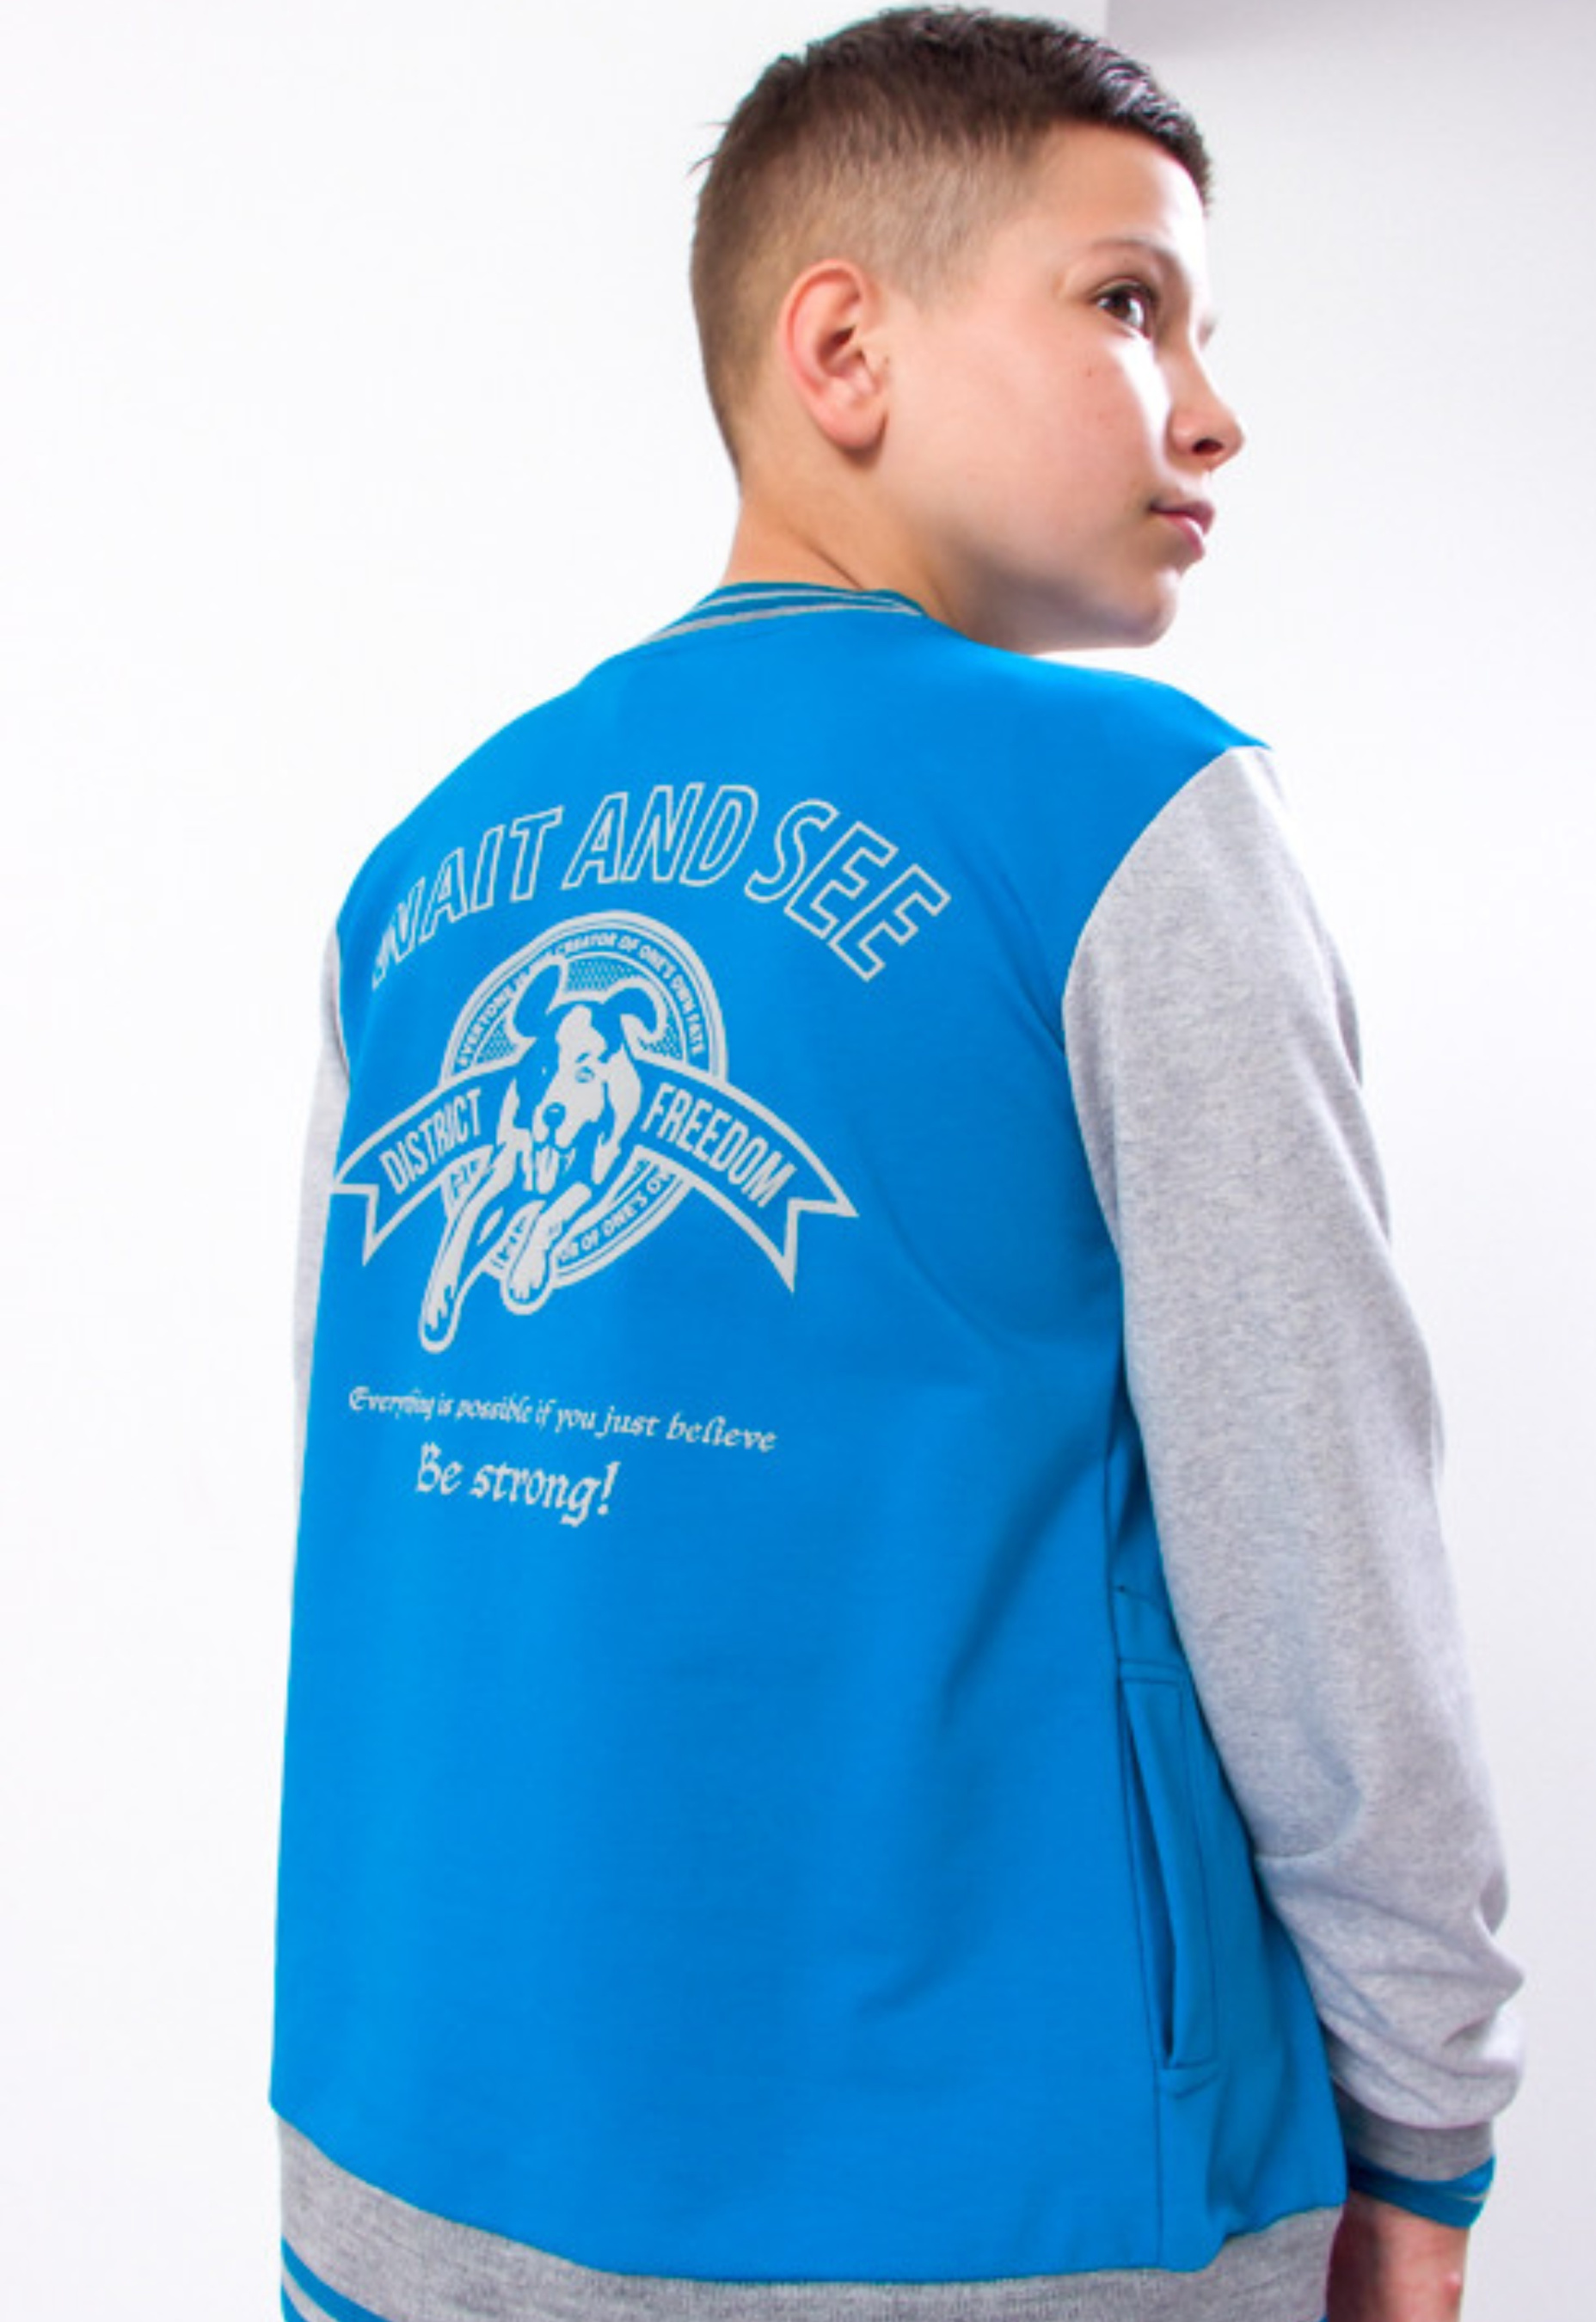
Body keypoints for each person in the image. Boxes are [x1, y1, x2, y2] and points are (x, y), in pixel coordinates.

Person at [271, 10, 1524, 2320]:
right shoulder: (1127, 813)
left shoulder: (424, 868)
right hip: (981, 2219)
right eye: (1129, 302)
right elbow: (1316, 1563)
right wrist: (1425, 2129)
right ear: (843, 346)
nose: (1210, 411)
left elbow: (398, 1512)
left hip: (404, 2162)